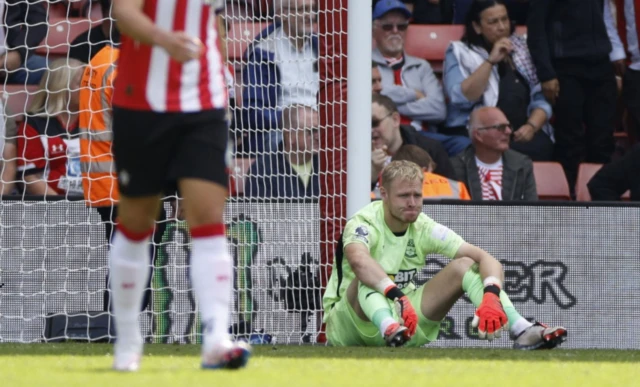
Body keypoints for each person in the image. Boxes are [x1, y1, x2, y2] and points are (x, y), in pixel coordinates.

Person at [109, 0, 250, 372]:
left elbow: (215, 21)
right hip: (141, 103)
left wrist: (220, 70)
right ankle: (127, 338)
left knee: (208, 218)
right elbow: (124, 13)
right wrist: (164, 40)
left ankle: (217, 338)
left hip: (203, 103)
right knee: (137, 223)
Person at [322, 160, 567, 348]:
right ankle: (388, 327)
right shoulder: (364, 222)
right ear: (383, 194)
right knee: (368, 277)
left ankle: (521, 329)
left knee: (466, 265)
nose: (412, 202)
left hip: (406, 322)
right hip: (350, 326)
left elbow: (487, 259)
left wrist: (491, 295)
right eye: (403, 196)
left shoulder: (424, 226)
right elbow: (359, 261)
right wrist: (397, 295)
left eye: (417, 195)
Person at [78, 43, 166, 312]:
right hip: (129, 184)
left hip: (109, 183)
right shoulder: (121, 67)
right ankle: (120, 333)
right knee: (134, 266)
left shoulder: (100, 59)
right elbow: (137, 132)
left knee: (126, 263)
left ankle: (116, 331)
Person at [443, 0, 554, 162]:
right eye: (493, 22)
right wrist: (490, 61)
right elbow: (461, 98)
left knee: (544, 147)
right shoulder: (460, 52)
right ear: (477, 27)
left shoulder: (522, 48)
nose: (502, 27)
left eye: (505, 19)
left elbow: (540, 98)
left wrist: (531, 127)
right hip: (481, 133)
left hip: (520, 133)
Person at [527, 0, 617, 191]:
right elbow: (536, 30)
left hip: (601, 64)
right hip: (565, 67)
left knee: (603, 139)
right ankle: (567, 197)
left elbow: (606, 18)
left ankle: (602, 196)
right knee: (569, 140)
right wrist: (546, 73)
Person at [372, 0, 471, 157]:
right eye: (387, 27)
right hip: (382, 135)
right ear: (373, 30)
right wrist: (414, 95)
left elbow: (438, 110)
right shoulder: (366, 64)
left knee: (463, 145)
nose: (395, 31)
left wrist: (391, 106)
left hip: (420, 135)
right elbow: (371, 99)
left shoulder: (421, 66)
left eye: (402, 26)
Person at [239, 0, 318, 154]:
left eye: (312, 9)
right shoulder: (262, 52)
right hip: (282, 131)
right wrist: (293, 120)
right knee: (289, 144)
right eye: (303, 10)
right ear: (283, 14)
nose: (311, 15)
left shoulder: (323, 48)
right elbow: (253, 113)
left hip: (322, 127)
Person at [16, 58, 85, 196]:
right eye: (81, 83)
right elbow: (30, 178)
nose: (88, 88)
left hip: (94, 202)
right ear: (62, 86)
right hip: (51, 205)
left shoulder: (96, 119)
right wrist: (62, 207)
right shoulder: (35, 123)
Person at [451, 107, 537, 200]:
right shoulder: (456, 167)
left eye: (508, 126)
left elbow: (531, 210)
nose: (508, 131)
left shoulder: (522, 164)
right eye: (500, 127)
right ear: (479, 135)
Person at [371, 93, 455, 186]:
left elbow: (450, 192)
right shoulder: (356, 156)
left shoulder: (430, 149)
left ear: (395, 120)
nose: (370, 130)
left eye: (374, 123)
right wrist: (373, 174)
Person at [244, 105, 320, 198]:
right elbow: (259, 211)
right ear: (290, 136)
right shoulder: (263, 170)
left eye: (321, 130)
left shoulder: (329, 165)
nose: (318, 137)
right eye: (312, 131)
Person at [391, 144, 471, 200]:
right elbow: (469, 217)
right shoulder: (457, 187)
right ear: (425, 170)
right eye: (432, 168)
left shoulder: (386, 189)